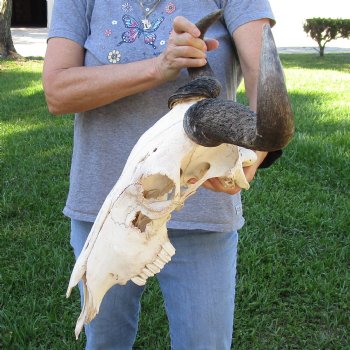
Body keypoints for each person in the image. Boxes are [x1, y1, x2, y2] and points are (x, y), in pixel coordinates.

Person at [43, 0, 276, 348]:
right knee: (106, 342)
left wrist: (254, 154)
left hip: (201, 203)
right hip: (109, 209)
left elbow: (266, 77)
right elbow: (58, 91)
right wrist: (159, 67)